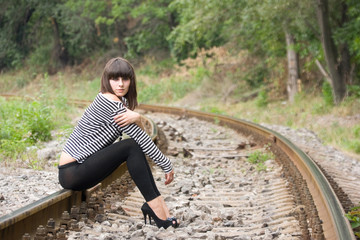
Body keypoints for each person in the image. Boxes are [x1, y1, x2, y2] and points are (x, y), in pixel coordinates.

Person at [58, 57, 178, 229]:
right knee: (131, 147)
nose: (120, 84)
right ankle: (157, 209)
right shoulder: (110, 103)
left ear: (131, 81)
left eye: (125, 79)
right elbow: (142, 140)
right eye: (115, 79)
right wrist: (166, 164)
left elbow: (140, 136)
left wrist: (137, 119)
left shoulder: (118, 101)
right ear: (107, 80)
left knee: (133, 146)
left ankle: (161, 209)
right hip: (73, 172)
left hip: (78, 169)